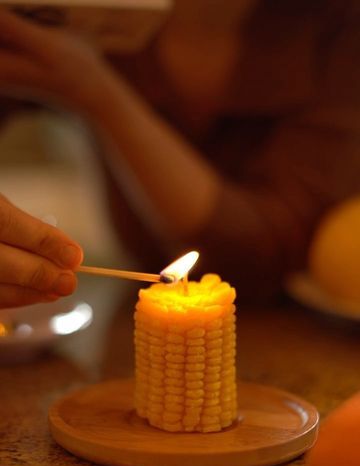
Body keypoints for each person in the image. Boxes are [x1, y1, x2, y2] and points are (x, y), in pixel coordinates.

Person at [0, 0, 359, 308]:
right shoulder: (99, 13)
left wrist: (97, 92)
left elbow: (263, 253)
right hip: (131, 325)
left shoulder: (339, 32)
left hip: (306, 333)